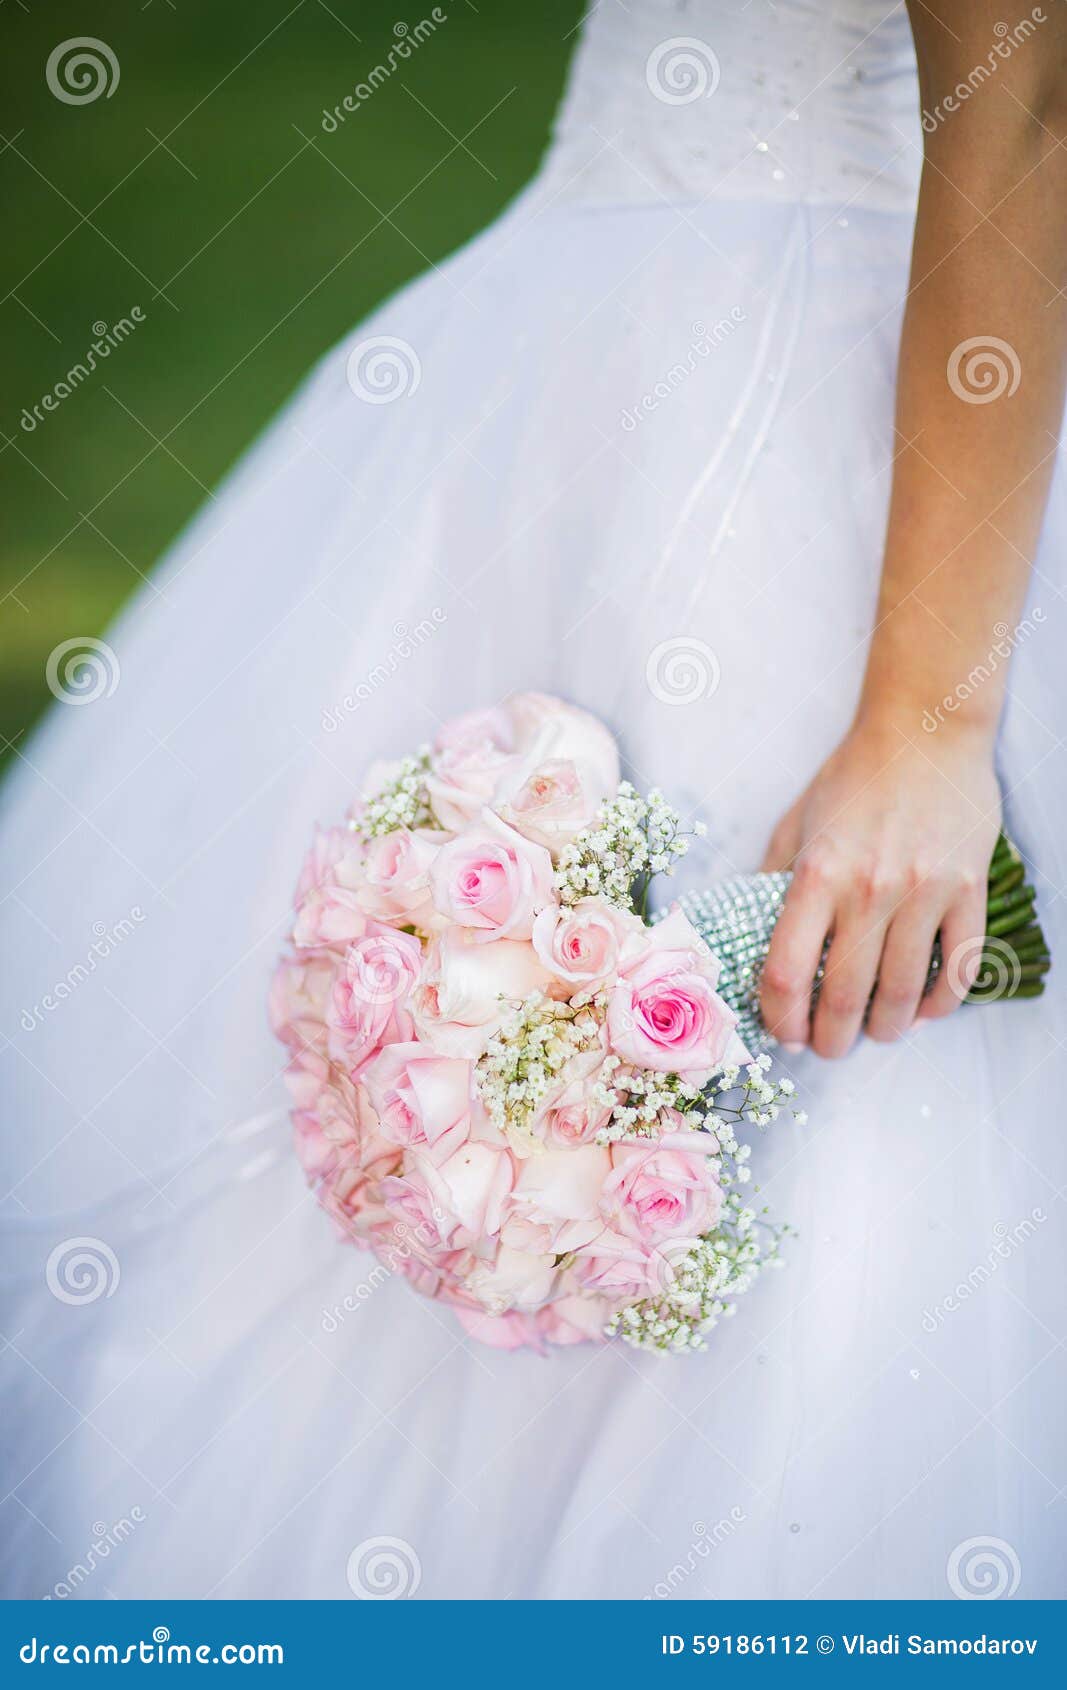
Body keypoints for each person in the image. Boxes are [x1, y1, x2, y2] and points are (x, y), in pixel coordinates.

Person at [2, 1, 1064, 1600]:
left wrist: (926, 714)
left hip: (864, 425)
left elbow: (1027, 98)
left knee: (846, 1200)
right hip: (567, 391)